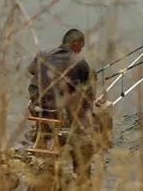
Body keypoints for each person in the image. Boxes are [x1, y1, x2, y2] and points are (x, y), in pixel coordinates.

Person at [27, 28, 102, 179]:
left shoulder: (42, 54)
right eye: (81, 46)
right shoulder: (80, 63)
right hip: (59, 112)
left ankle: (43, 133)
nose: (80, 50)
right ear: (75, 44)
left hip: (36, 107)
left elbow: (31, 70)